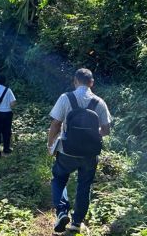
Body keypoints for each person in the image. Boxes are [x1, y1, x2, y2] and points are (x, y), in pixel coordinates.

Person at [47, 68, 112, 233]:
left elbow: (55, 124)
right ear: (92, 83)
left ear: (75, 81)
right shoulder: (99, 102)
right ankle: (76, 223)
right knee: (85, 185)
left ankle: (62, 212)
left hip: (67, 150)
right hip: (90, 154)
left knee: (59, 179)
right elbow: (106, 130)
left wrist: (50, 145)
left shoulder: (65, 98)